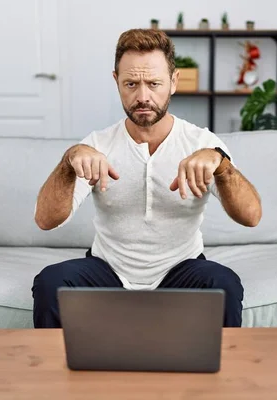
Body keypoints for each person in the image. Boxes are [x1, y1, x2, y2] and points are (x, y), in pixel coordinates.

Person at [32, 28, 262, 328]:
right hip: (108, 271)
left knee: (225, 284)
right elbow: (45, 220)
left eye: (154, 84)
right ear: (116, 82)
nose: (143, 97)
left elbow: (251, 217)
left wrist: (221, 164)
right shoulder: (97, 144)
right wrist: (68, 161)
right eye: (131, 84)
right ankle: (56, 374)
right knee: (51, 282)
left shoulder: (202, 143)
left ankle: (218, 375)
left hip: (181, 271)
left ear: (174, 82)